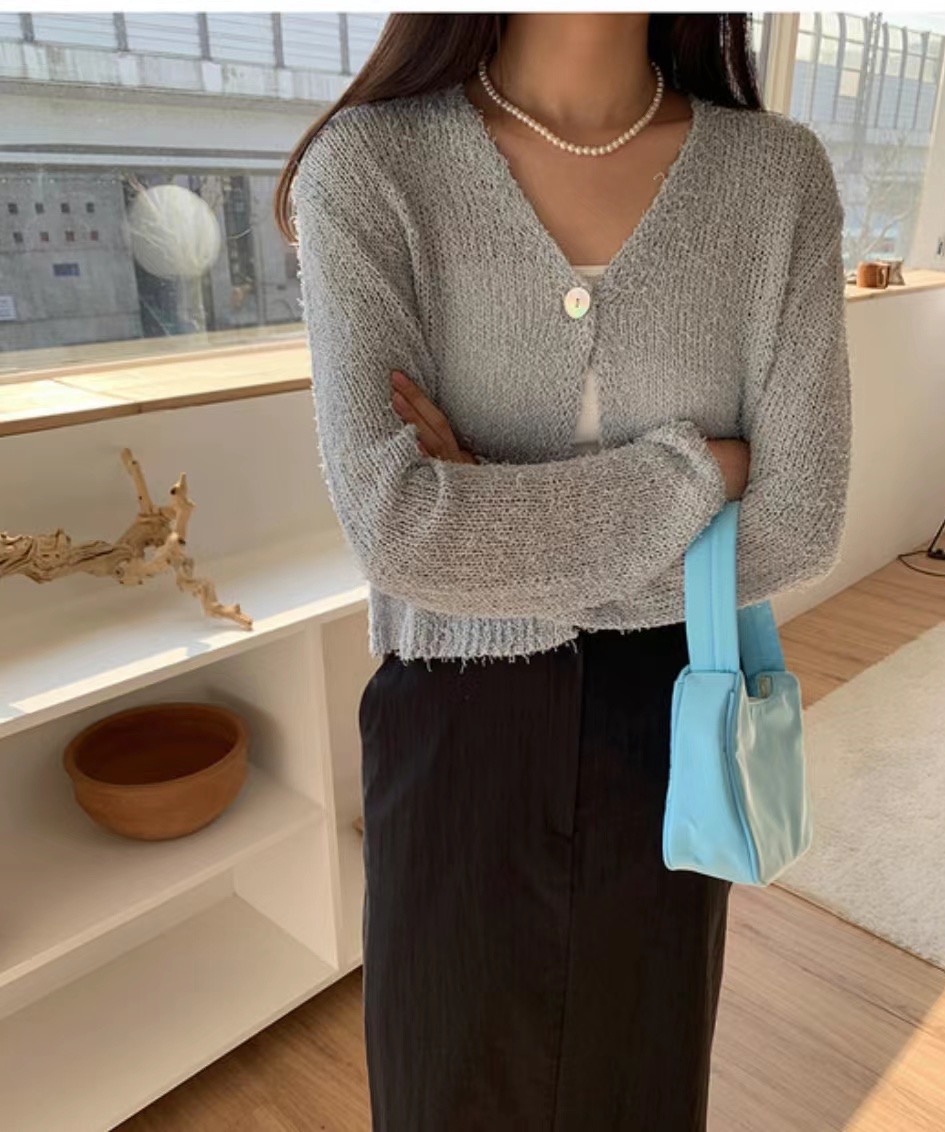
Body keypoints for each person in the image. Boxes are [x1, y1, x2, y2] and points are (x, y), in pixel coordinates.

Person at [274, 12, 852, 1131]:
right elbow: (403, 531)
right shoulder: (373, 167)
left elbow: (798, 525)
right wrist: (701, 473)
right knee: (445, 1095)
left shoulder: (777, 179)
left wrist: (488, 518)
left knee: (641, 1092)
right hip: (455, 732)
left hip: (675, 717)